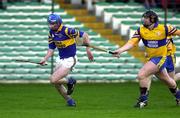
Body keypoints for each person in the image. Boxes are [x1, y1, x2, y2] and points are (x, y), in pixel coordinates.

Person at [112, 10, 180, 108]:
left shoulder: (164, 28)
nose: (144, 19)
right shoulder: (141, 30)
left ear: (152, 19)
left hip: (161, 58)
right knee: (169, 81)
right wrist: (120, 50)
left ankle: (143, 100)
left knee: (142, 74)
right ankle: (178, 96)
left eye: (146, 18)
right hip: (151, 58)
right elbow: (131, 42)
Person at [39, 13, 94, 106]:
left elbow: (85, 35)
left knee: (53, 80)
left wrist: (88, 50)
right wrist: (45, 59)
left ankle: (70, 81)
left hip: (70, 59)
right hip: (60, 59)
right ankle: (70, 101)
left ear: (59, 23)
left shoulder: (67, 30)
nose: (51, 26)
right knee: (56, 83)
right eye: (50, 23)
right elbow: (51, 49)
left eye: (53, 24)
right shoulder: (51, 33)